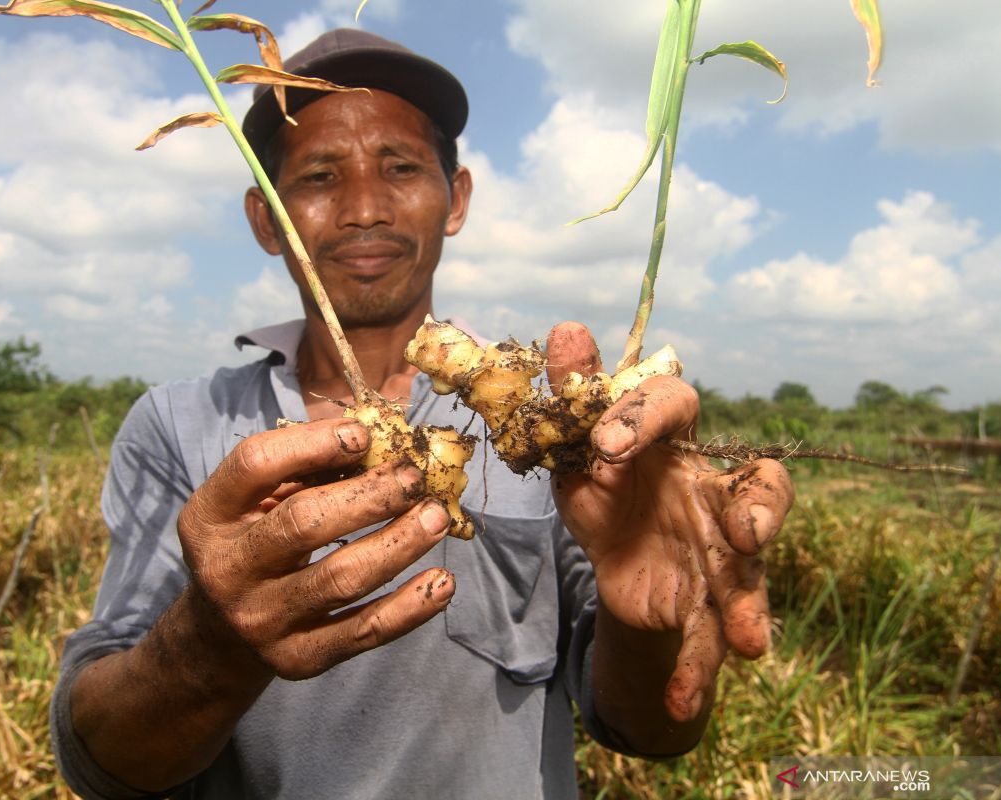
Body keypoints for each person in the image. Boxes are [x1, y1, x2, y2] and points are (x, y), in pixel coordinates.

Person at [50, 28, 795, 800]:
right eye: (318, 176)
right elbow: (100, 758)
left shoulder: (546, 431)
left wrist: (648, 624)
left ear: (457, 199)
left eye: (401, 167)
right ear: (266, 218)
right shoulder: (180, 423)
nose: (364, 209)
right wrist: (212, 642)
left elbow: (650, 727)